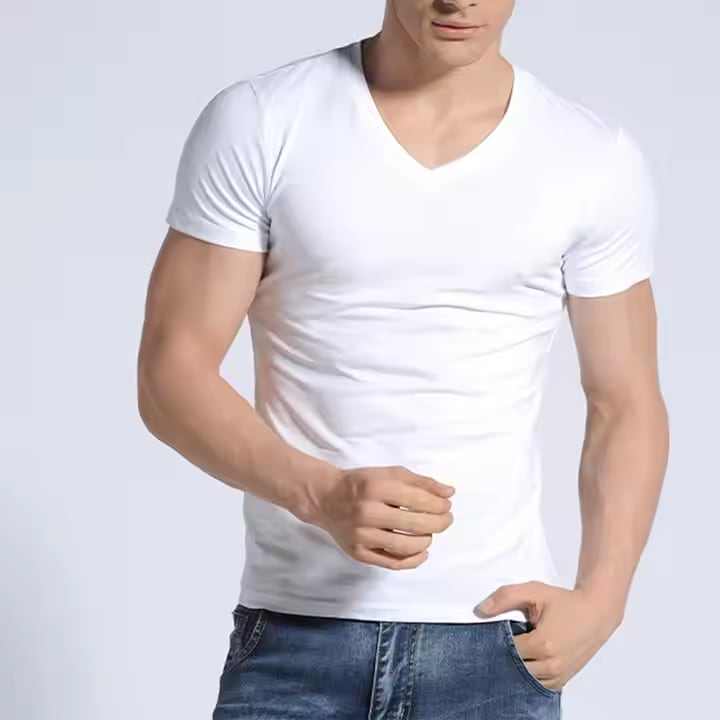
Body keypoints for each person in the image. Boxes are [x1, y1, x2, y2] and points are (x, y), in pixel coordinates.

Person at [138, 1, 669, 717]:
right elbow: (170, 373)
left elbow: (625, 400)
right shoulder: (264, 119)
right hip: (297, 638)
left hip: (495, 646)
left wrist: (603, 601)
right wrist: (319, 494)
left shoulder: (591, 158)